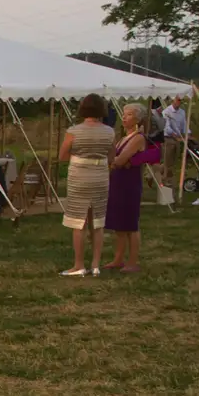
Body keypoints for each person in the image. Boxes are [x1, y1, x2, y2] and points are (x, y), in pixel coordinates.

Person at [58, 94, 116, 277]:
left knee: (79, 221)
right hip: (100, 177)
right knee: (97, 222)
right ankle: (96, 264)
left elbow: (62, 156)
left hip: (79, 177)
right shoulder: (109, 131)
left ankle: (79, 265)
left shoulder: (74, 131)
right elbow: (112, 157)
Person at [107, 103, 159, 274]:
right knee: (119, 224)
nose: (124, 117)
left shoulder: (138, 138)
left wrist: (117, 161)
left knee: (130, 223)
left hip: (129, 184)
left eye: (129, 114)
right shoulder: (123, 137)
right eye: (123, 114)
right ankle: (118, 259)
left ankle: (132, 261)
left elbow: (119, 160)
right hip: (118, 181)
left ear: (137, 118)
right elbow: (114, 158)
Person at [160, 96, 189, 187]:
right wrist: (175, 136)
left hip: (178, 138)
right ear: (173, 100)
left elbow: (184, 126)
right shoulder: (166, 112)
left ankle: (154, 174)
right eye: (178, 100)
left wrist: (188, 135)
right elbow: (167, 128)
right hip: (168, 138)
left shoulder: (182, 112)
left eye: (181, 100)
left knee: (173, 161)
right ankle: (166, 179)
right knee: (167, 160)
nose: (180, 102)